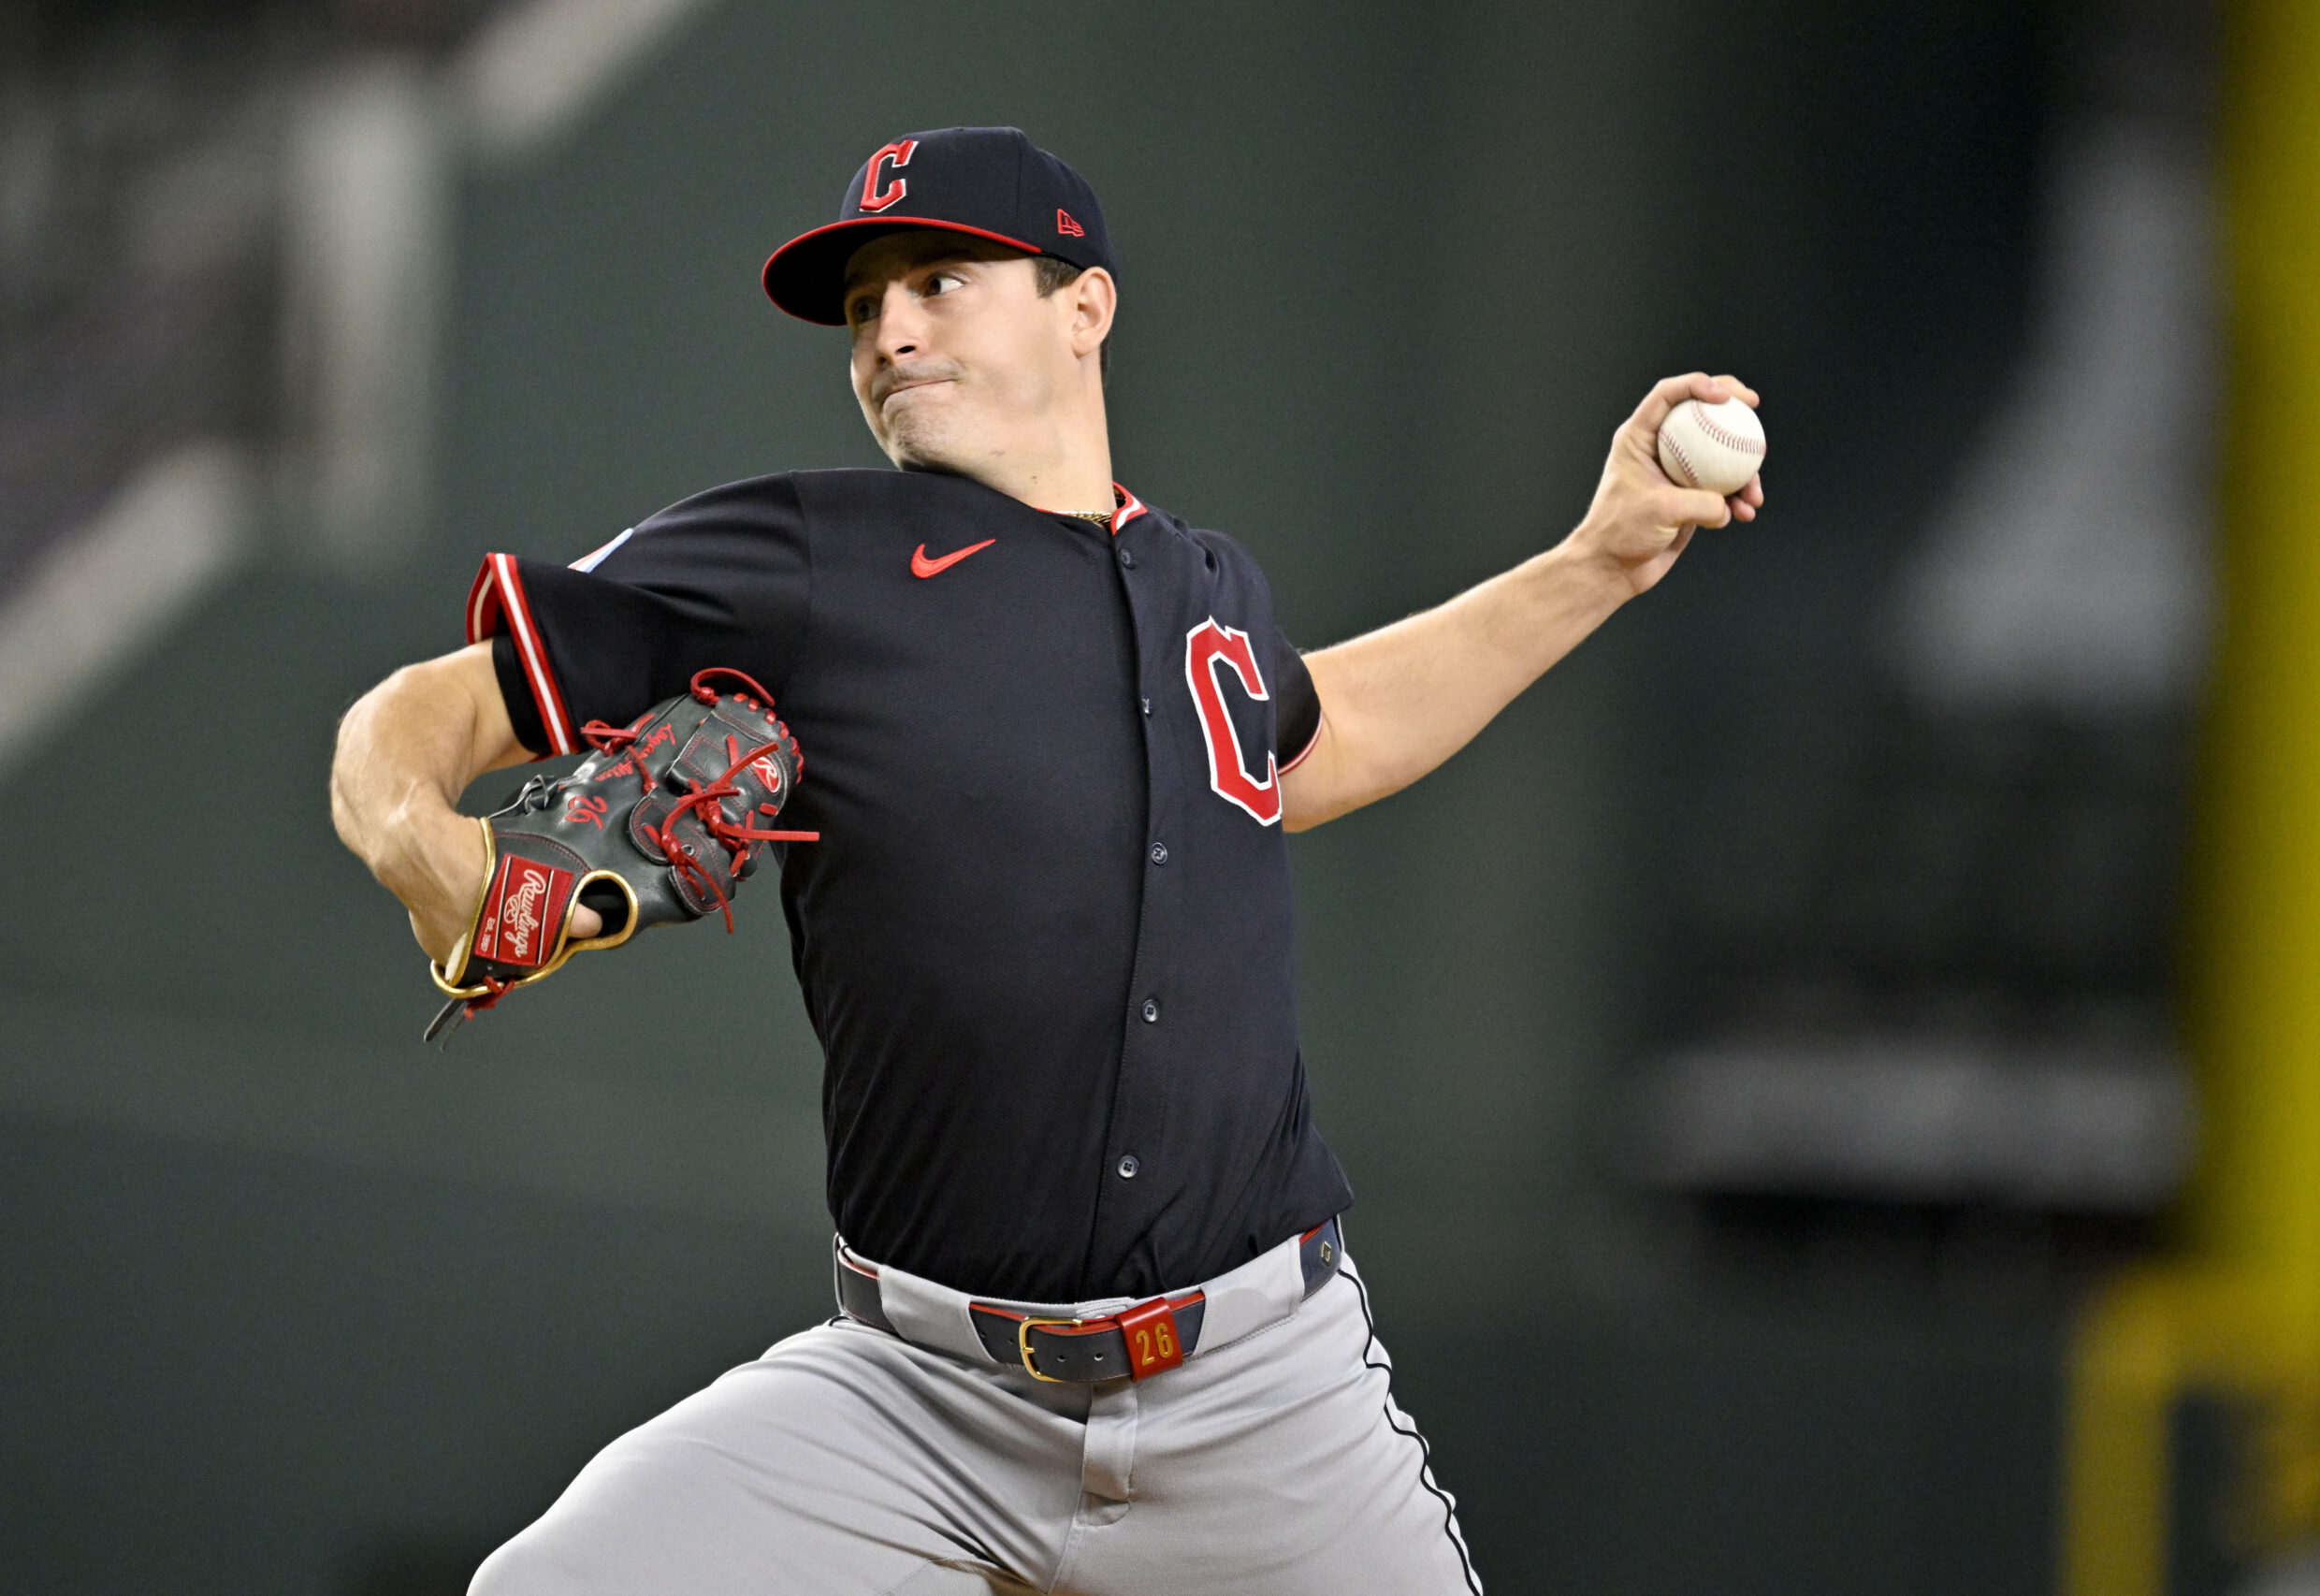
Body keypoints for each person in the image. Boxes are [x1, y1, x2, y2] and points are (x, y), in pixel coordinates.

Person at [329, 125, 1761, 1596]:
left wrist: (1596, 558)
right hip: (919, 1396)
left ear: (1086, 306)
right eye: (863, 306)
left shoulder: (1209, 587)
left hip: (1263, 1394)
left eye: (940, 281)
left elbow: (1320, 745)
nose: (888, 328)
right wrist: (438, 857)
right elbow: (414, 716)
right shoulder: (805, 556)